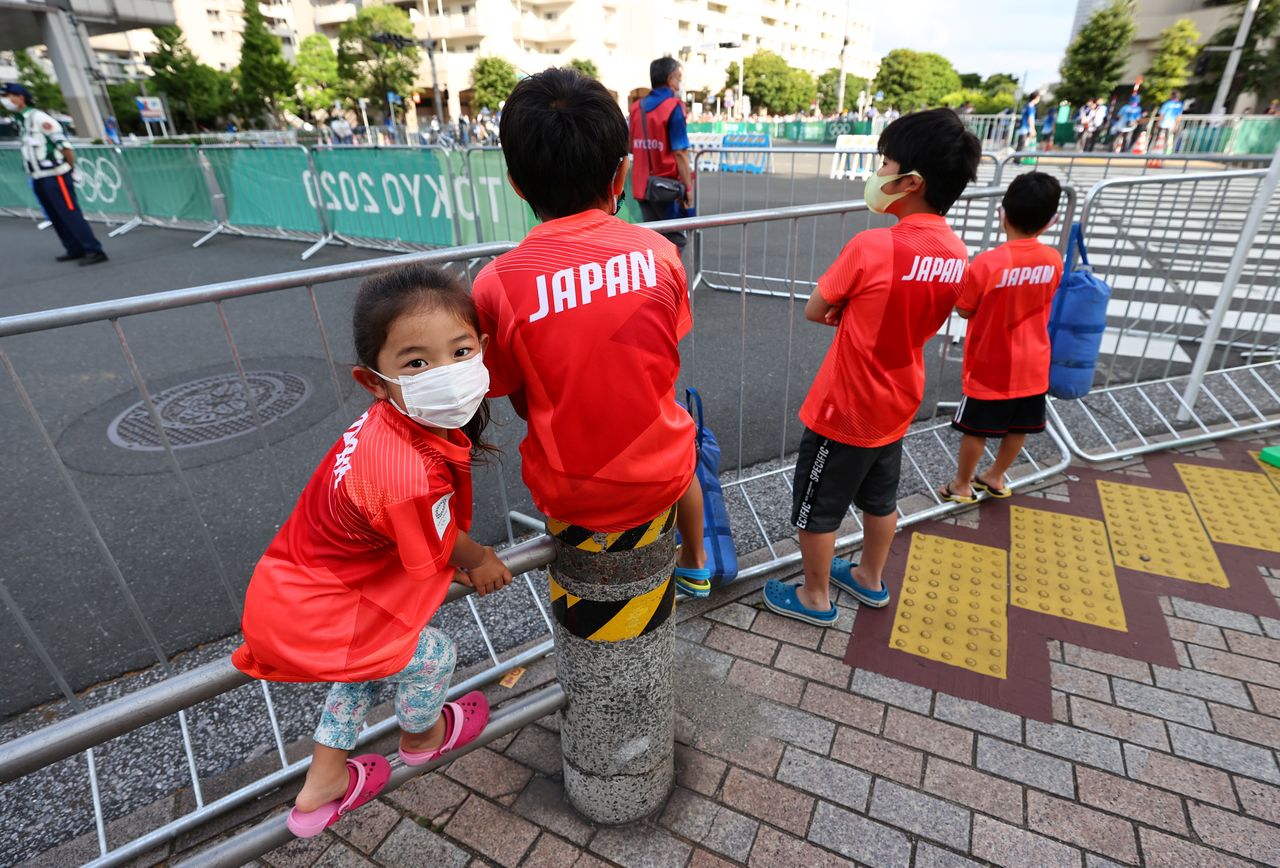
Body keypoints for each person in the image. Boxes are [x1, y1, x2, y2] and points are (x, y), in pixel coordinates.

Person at [232, 265, 511, 837]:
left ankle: (325, 779)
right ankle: (421, 737)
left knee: (363, 667)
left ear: (482, 349)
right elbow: (434, 538)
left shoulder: (397, 420)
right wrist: (477, 558)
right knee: (429, 654)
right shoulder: (404, 471)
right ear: (374, 381)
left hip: (304, 590)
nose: (447, 373)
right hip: (321, 606)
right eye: (416, 362)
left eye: (460, 351)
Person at [476, 67, 711, 597]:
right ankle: (696, 562)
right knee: (683, 454)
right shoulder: (661, 255)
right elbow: (661, 352)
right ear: (621, 175)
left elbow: (517, 395)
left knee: (594, 626)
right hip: (663, 471)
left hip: (570, 492)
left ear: (516, 183)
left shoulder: (495, 285)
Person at [763, 108, 980, 626]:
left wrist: (851, 313)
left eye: (885, 164)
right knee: (881, 500)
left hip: (847, 405)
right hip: (899, 399)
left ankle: (814, 596)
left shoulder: (872, 245)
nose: (877, 174)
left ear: (910, 182)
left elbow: (817, 308)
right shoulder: (956, 251)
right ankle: (869, 577)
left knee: (817, 507)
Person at [939, 172, 1064, 503]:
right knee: (1018, 428)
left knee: (975, 429)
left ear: (1002, 213)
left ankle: (962, 484)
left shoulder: (988, 263)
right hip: (1033, 364)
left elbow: (965, 309)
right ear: (1050, 222)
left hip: (990, 364)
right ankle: (995, 476)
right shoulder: (1053, 260)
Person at [2, 83, 107, 266]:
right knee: (55, 215)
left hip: (56, 175)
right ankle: (74, 248)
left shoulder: (40, 118)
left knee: (69, 213)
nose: (6, 100)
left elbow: (65, 147)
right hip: (39, 176)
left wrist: (70, 169)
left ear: (21, 97)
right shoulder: (22, 121)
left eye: (9, 95)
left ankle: (93, 249)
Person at [630, 57, 695, 254]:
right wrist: (689, 189)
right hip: (666, 188)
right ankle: (670, 284)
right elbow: (680, 153)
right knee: (676, 241)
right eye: (679, 78)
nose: (679, 83)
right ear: (670, 79)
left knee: (652, 241)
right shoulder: (673, 107)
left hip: (642, 186)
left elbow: (631, 145)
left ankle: (656, 283)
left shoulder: (636, 108)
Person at [1156, 89, 1185, 153]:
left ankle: (1156, 151)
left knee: (1158, 138)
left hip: (1163, 123)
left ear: (1172, 96)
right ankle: (1165, 153)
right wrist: (1176, 125)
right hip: (1172, 124)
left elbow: (1162, 113)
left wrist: (1158, 123)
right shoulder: (1180, 104)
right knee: (1167, 139)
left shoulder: (1167, 103)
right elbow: (1179, 116)